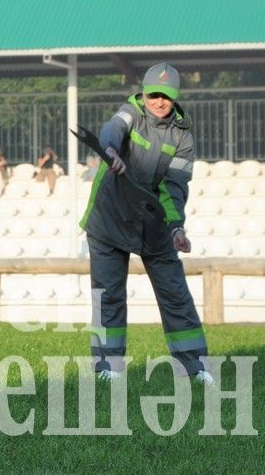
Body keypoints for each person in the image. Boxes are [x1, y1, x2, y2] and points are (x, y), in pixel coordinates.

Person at [80, 63, 213, 384]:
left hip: (154, 226)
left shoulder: (182, 138)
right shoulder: (131, 112)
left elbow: (175, 187)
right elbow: (113, 128)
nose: (159, 101)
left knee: (176, 295)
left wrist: (176, 227)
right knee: (108, 295)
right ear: (143, 92)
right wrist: (110, 149)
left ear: (174, 97)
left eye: (166, 96)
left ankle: (195, 368)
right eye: (153, 94)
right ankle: (107, 368)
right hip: (108, 220)